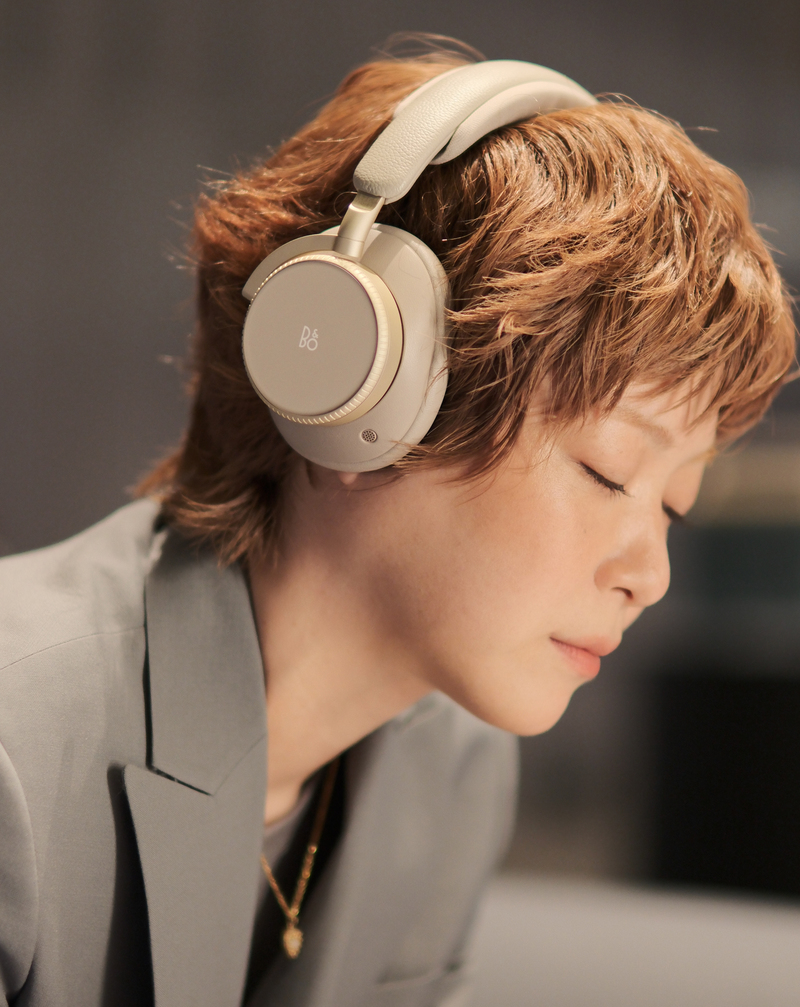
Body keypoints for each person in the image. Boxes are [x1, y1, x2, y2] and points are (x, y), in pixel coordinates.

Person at [0, 39, 794, 1007]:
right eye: (607, 471)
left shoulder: (450, 763)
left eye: (673, 506)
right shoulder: (14, 752)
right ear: (364, 391)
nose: (649, 574)